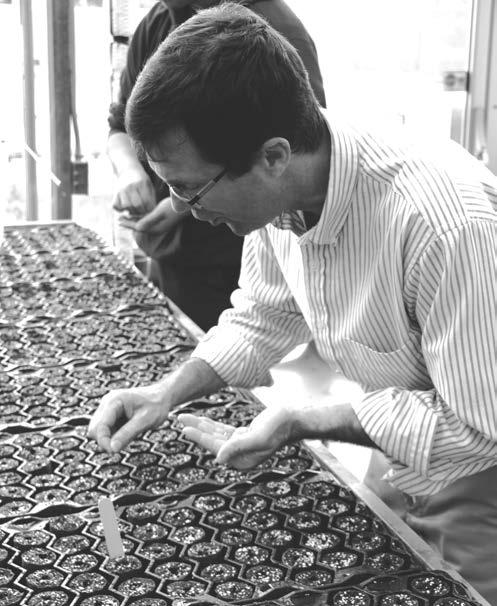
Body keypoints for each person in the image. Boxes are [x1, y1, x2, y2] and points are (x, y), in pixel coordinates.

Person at [90, 4, 497, 602]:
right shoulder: (282, 195)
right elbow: (262, 316)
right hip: (402, 443)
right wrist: (166, 393)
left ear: (274, 156)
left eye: (191, 190)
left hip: (479, 474)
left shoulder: (445, 224)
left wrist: (299, 420)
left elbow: (475, 427)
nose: (185, 210)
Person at [108, 0, 326, 331]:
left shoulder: (274, 35)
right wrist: (142, 175)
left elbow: (301, 153)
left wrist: (181, 200)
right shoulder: (157, 21)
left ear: (273, 158)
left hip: (225, 263)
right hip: (180, 255)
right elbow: (257, 322)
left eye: (187, 188)